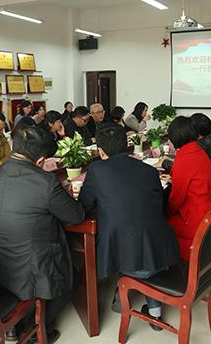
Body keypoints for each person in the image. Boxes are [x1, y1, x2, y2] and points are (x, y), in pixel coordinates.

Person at [0, 126, 84, 342]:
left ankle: (12, 323)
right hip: (31, 270)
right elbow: (76, 216)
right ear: (41, 160)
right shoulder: (46, 182)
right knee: (73, 275)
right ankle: (35, 328)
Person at [79, 124, 179, 326]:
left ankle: (124, 294)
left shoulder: (96, 170)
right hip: (161, 248)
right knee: (133, 232)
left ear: (100, 151)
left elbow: (84, 204)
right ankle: (154, 310)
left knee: (120, 235)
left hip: (129, 252)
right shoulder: (148, 170)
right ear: (127, 146)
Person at [165, 116, 211, 261]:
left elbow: (176, 199)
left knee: (159, 224)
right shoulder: (199, 150)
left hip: (194, 219)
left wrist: (166, 213)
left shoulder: (184, 158)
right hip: (208, 212)